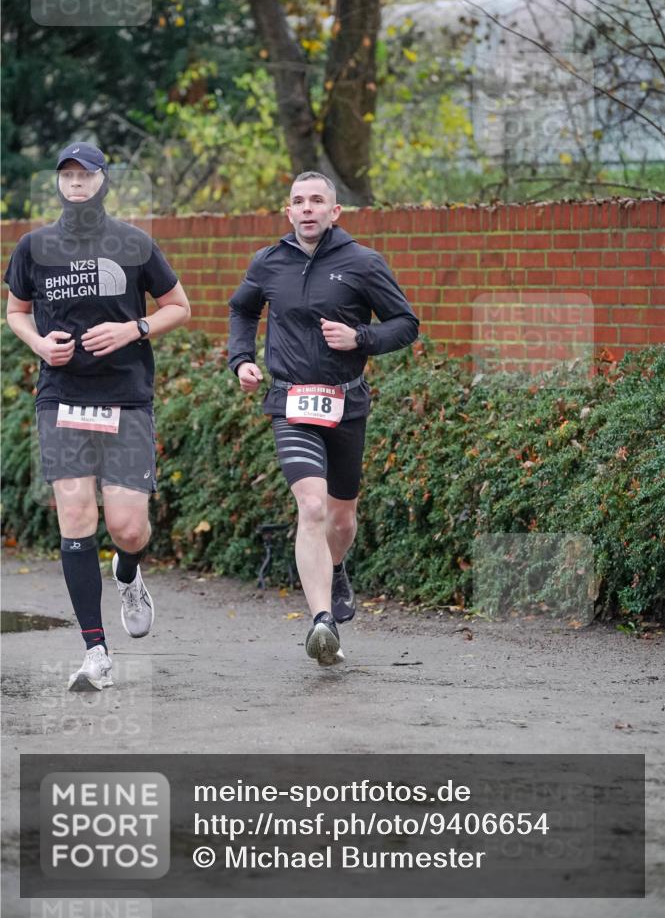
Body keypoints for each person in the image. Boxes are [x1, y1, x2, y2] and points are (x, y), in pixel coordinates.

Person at [4, 142, 190, 691]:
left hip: (126, 397)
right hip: (61, 396)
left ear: (104, 181)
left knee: (128, 528)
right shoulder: (34, 247)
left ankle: (128, 572)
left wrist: (134, 329)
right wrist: (40, 344)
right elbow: (15, 311)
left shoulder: (133, 243)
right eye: (67, 174)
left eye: (86, 174)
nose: (76, 182)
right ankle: (96, 651)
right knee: (76, 515)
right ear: (57, 184)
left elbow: (179, 306)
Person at [228, 171, 418, 667]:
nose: (306, 208)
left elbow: (405, 324)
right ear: (288, 212)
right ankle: (321, 623)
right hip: (290, 404)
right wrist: (241, 359)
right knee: (310, 508)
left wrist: (362, 339)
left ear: (335, 212)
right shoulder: (268, 262)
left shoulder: (362, 263)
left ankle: (336, 570)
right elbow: (242, 310)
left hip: (346, 402)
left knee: (340, 515)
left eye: (317, 201)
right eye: (298, 201)